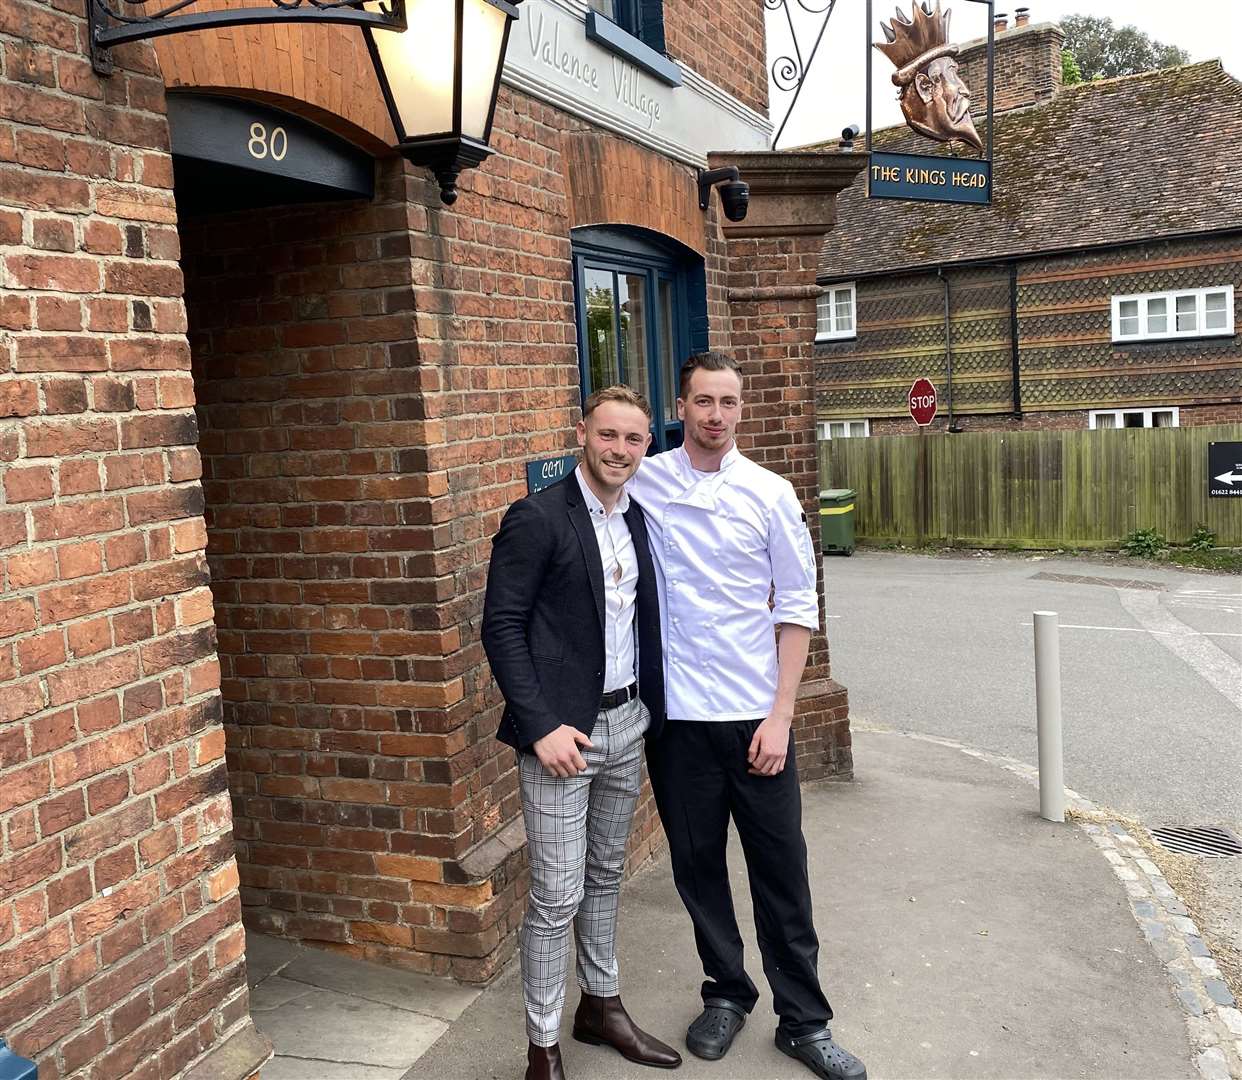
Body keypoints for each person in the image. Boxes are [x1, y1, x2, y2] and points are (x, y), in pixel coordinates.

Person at [628, 352, 867, 1080]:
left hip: (756, 719)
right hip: (679, 724)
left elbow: (797, 609)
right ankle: (726, 992)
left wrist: (782, 716)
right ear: (680, 407)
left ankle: (805, 1019)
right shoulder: (645, 481)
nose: (716, 416)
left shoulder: (770, 493)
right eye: (703, 401)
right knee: (697, 869)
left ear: (742, 410)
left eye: (728, 403)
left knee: (780, 870)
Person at [482, 386, 682, 1080]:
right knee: (556, 895)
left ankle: (601, 1006)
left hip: (628, 723)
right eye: (608, 436)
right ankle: (542, 1048)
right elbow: (501, 627)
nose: (620, 450)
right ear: (582, 435)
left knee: (604, 877)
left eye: (633, 439)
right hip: (563, 737)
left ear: (645, 446)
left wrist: (650, 711)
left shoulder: (639, 519)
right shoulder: (537, 518)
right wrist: (540, 728)